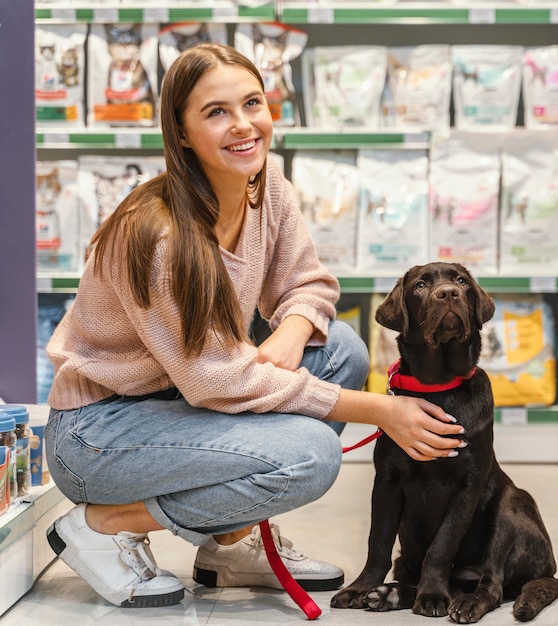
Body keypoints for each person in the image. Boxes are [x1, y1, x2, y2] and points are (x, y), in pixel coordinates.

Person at [44, 42, 466, 610]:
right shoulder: (157, 237)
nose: (243, 125)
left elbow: (310, 287)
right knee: (310, 455)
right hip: (101, 434)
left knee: (338, 347)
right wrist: (378, 410)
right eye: (216, 112)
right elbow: (217, 381)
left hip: (181, 397)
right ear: (182, 132)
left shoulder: (266, 191)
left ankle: (230, 542)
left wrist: (291, 332)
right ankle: (104, 524)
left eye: (252, 103)